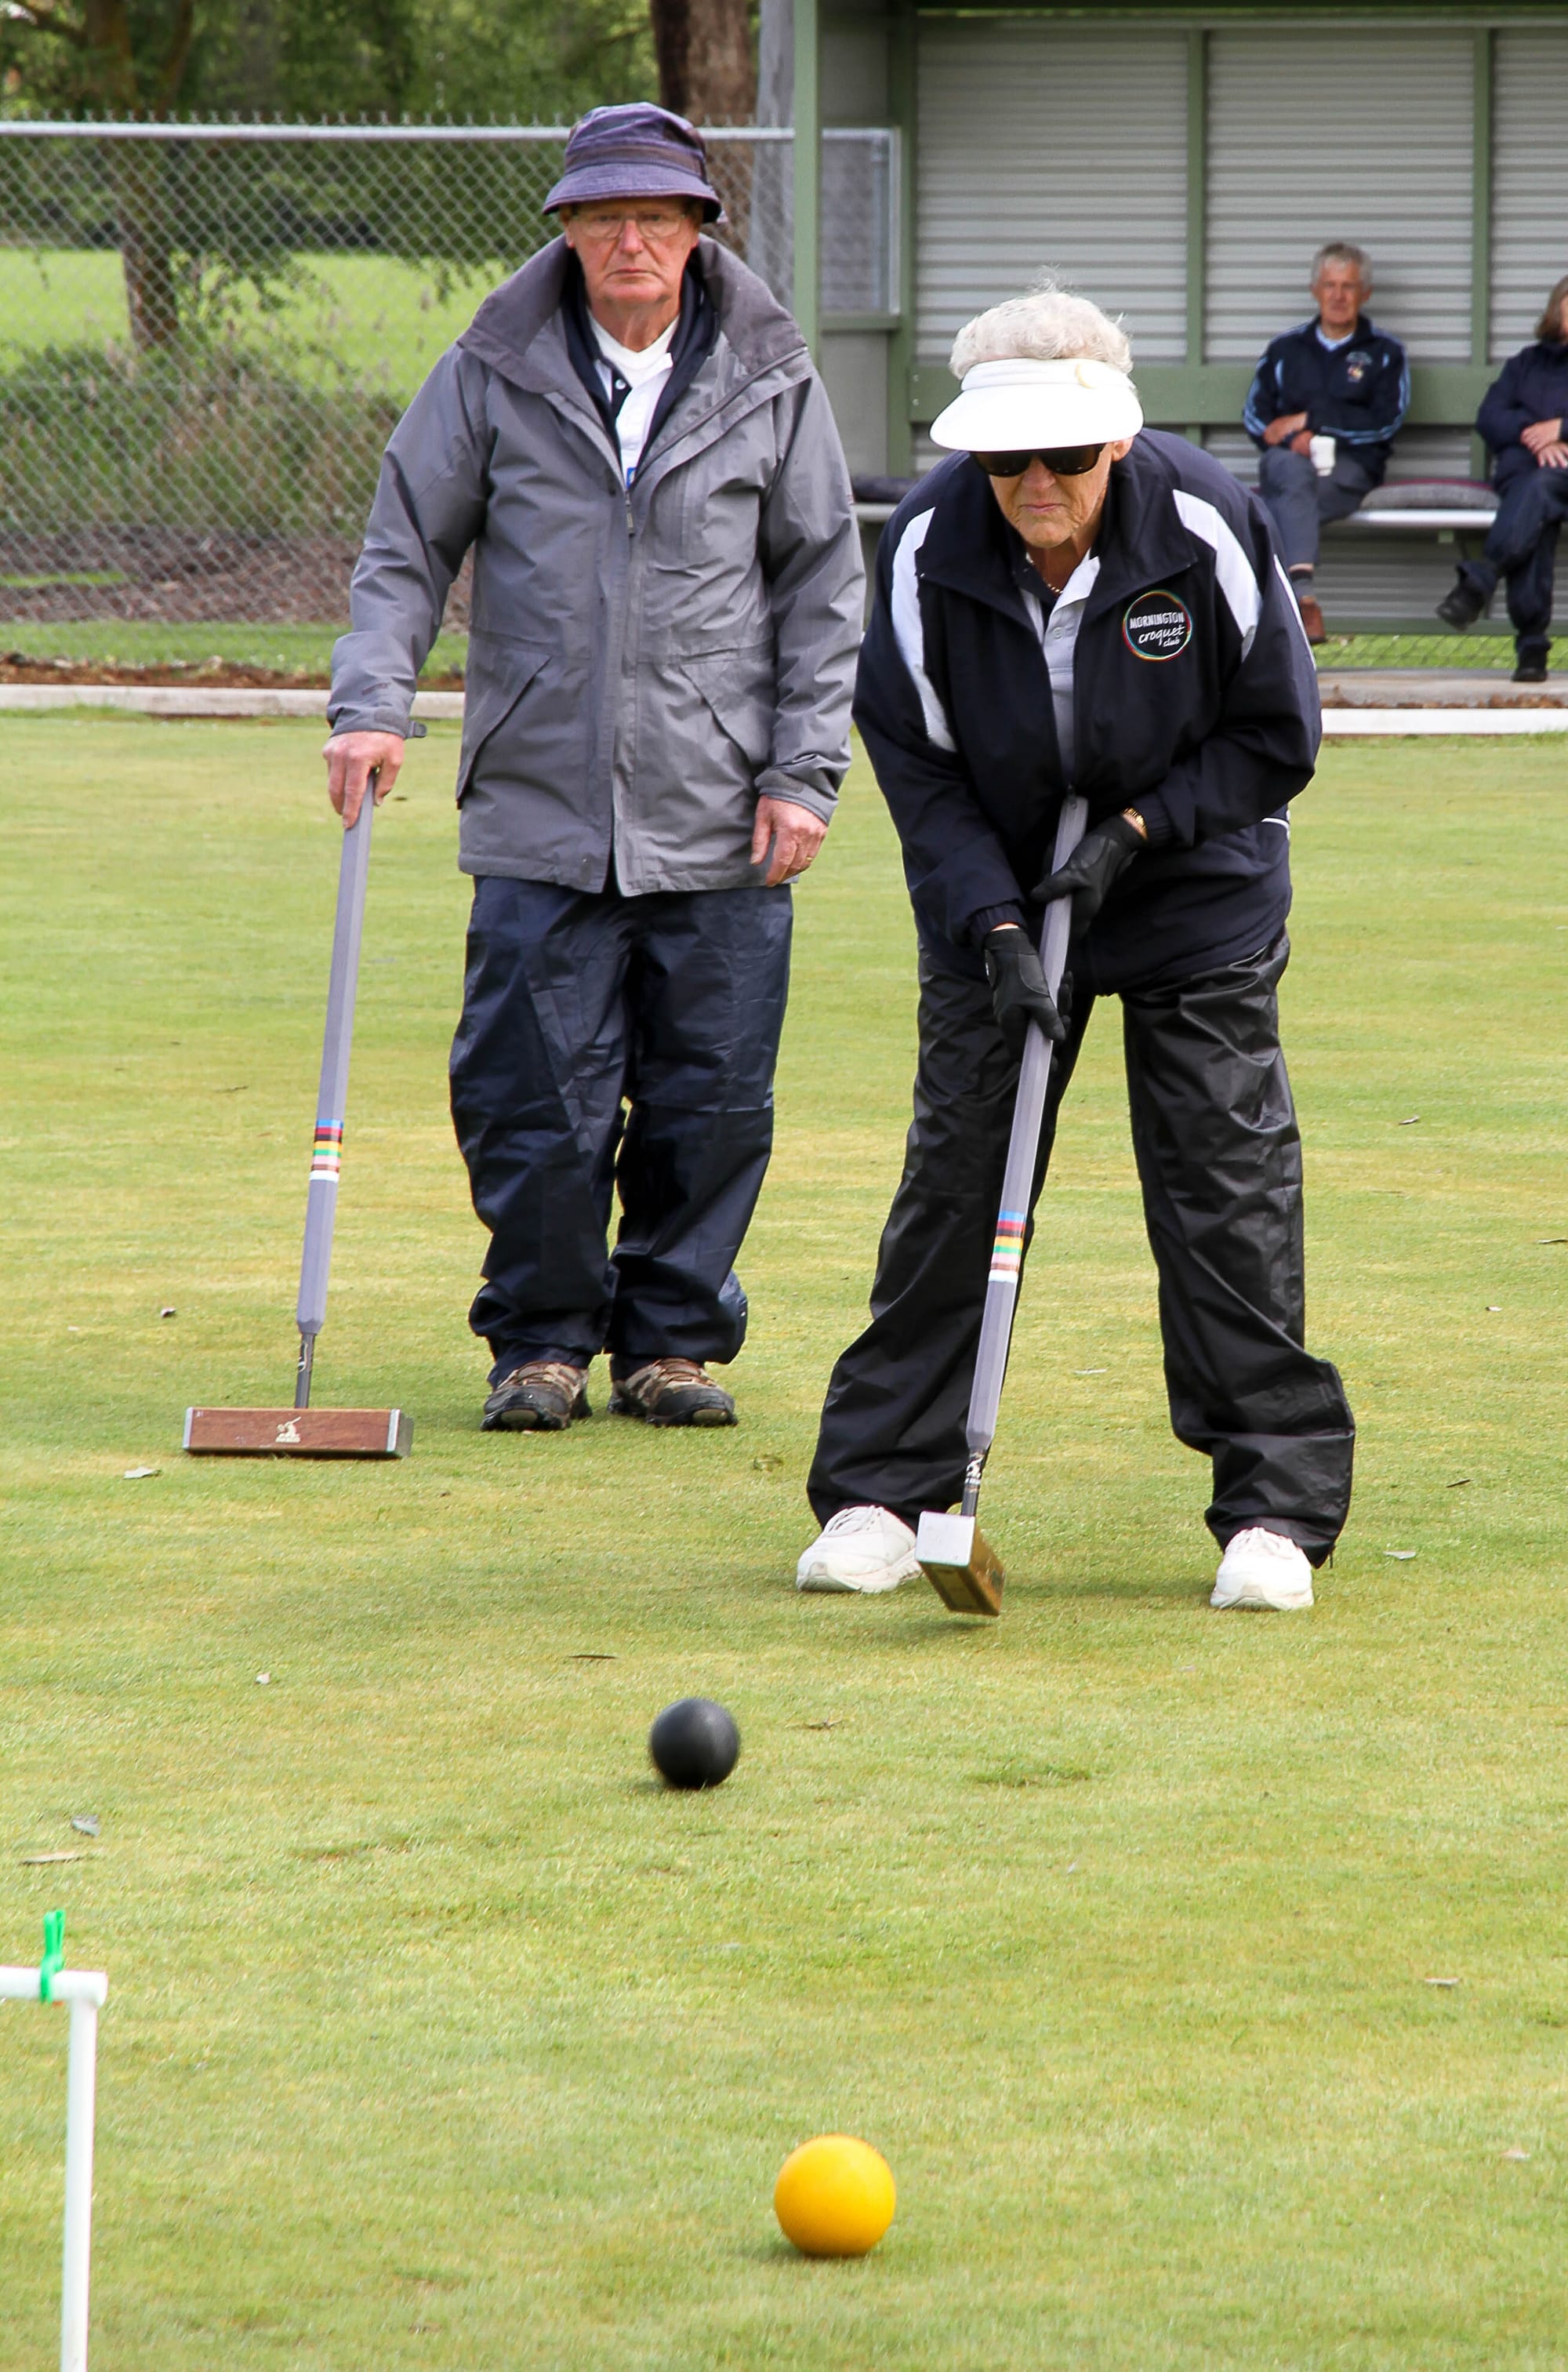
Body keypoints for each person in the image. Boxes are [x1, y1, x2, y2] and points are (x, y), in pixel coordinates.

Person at [795, 285, 1355, 1613]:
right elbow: (917, 761)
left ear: (1115, 440)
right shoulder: (929, 542)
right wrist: (991, 921)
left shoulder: (1205, 519)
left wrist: (1136, 832)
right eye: (1005, 459)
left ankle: (1272, 1507)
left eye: (1062, 454)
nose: (1034, 483)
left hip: (1192, 883)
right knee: (957, 1182)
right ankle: (885, 1492)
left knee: (1224, 1189)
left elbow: (1277, 733)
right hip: (999, 879)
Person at [325, 104, 862, 1433]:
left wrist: (803, 772)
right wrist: (371, 703)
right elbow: (405, 547)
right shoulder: (488, 370)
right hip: (536, 804)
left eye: (658, 217)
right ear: (566, 229)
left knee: (712, 1098)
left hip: (723, 806)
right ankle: (542, 1342)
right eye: (608, 216)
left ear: (696, 232)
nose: (634, 241)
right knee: (530, 1099)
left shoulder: (773, 376)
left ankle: (672, 1342)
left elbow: (823, 585)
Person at [1245, 242, 1409, 645]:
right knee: (1288, 470)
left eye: (1348, 287)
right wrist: (1293, 439)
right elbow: (1256, 417)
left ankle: (1272, 619)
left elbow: (1386, 422)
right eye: (1330, 286)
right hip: (1286, 463)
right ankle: (1303, 597)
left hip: (1349, 471)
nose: (1338, 296)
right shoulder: (1285, 350)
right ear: (1314, 290)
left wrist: (1312, 423)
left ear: (1365, 293)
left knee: (1270, 509)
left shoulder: (1385, 353)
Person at [1436, 273, 1568, 684]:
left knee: (1538, 491)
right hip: (1526, 475)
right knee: (1535, 511)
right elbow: (1490, 416)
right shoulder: (1525, 364)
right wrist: (1534, 434)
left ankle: (1483, 581)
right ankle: (1531, 650)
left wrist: (1562, 430)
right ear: (1557, 309)